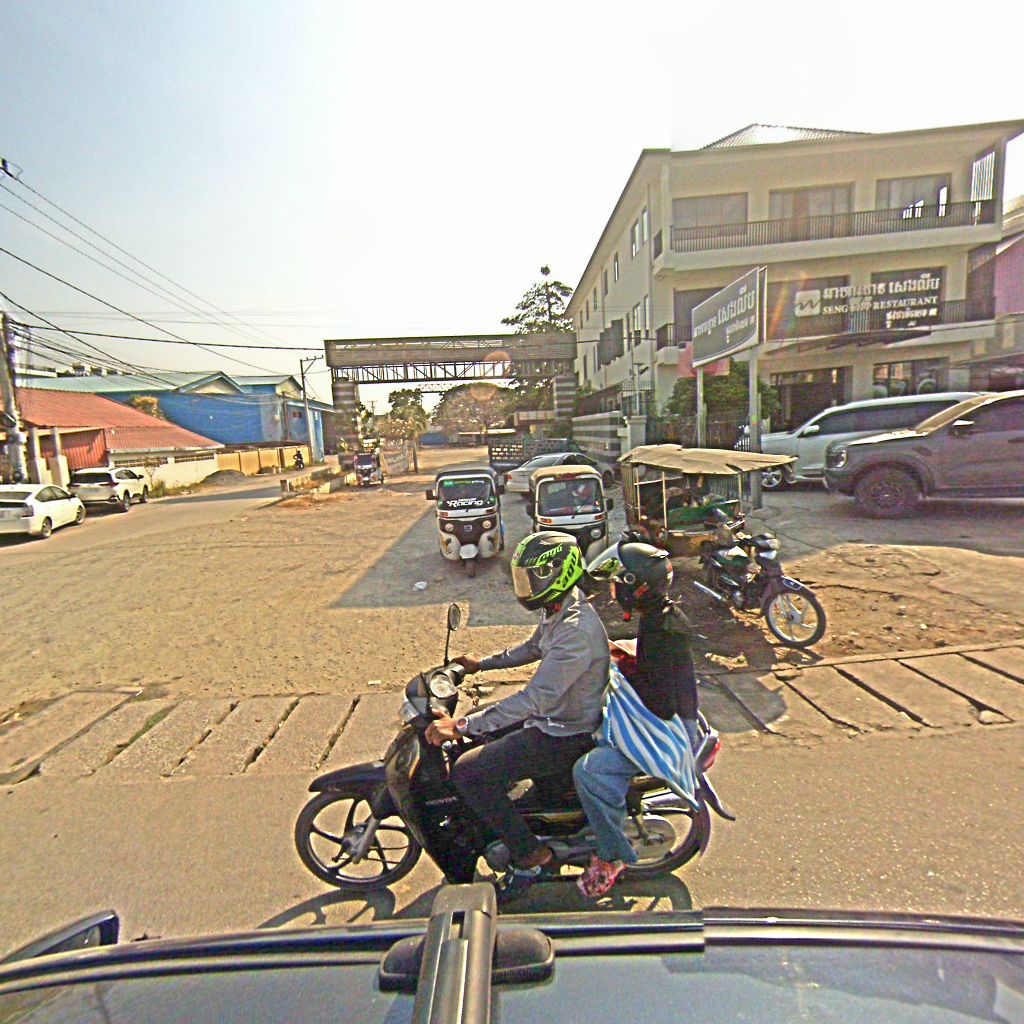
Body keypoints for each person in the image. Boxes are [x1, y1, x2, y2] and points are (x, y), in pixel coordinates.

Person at [425, 531, 610, 903]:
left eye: (533, 578)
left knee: (467, 772)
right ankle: (503, 818)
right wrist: (482, 664)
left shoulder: (575, 632)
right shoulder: (561, 607)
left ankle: (529, 857)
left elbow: (534, 700)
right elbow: (533, 647)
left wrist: (460, 725)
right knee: (478, 729)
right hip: (554, 718)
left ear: (560, 573)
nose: (526, 588)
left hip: (563, 733)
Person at [572, 538, 701, 899]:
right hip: (677, 715)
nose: (613, 590)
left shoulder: (661, 630)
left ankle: (612, 856)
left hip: (669, 730)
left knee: (588, 771)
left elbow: (658, 702)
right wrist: (627, 661)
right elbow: (658, 673)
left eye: (617, 583)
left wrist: (621, 671)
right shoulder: (663, 618)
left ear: (636, 586)